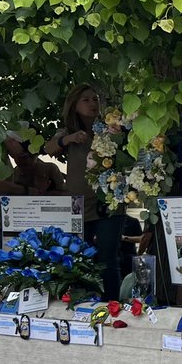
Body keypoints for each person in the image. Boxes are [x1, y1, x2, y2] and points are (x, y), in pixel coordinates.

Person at [44, 83, 128, 299]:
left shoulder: (112, 129)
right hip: (78, 205)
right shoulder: (68, 132)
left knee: (108, 259)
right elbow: (48, 148)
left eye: (95, 99)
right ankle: (83, 305)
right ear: (74, 105)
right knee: (80, 257)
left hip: (109, 203)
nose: (93, 104)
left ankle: (111, 306)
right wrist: (68, 139)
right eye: (86, 100)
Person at [0, 133, 65, 256]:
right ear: (12, 140)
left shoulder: (3, 156)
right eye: (25, 148)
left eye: (31, 154)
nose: (25, 154)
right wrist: (26, 190)